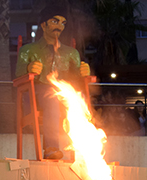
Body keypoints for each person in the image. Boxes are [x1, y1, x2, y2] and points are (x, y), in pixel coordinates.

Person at [15, 4, 91, 160]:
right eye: (55, 21)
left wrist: (83, 72)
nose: (60, 26)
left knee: (78, 99)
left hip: (63, 93)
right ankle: (51, 147)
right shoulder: (28, 50)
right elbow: (17, 75)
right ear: (43, 24)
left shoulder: (71, 53)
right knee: (52, 97)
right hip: (36, 92)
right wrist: (29, 67)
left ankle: (88, 151)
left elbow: (77, 77)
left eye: (63, 23)